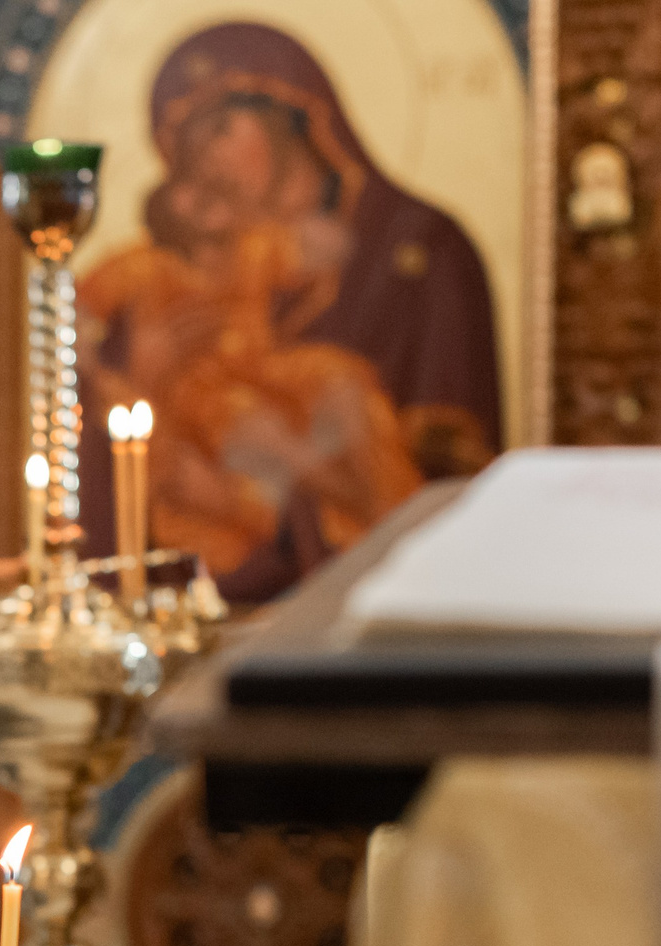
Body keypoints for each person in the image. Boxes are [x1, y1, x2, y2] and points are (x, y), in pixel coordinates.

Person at [79, 22, 503, 600]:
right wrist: (145, 367)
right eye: (187, 152)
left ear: (291, 112)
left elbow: (457, 466)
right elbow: (92, 365)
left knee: (341, 384)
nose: (207, 164)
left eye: (221, 129)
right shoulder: (159, 270)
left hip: (385, 601)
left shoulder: (421, 250)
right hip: (218, 567)